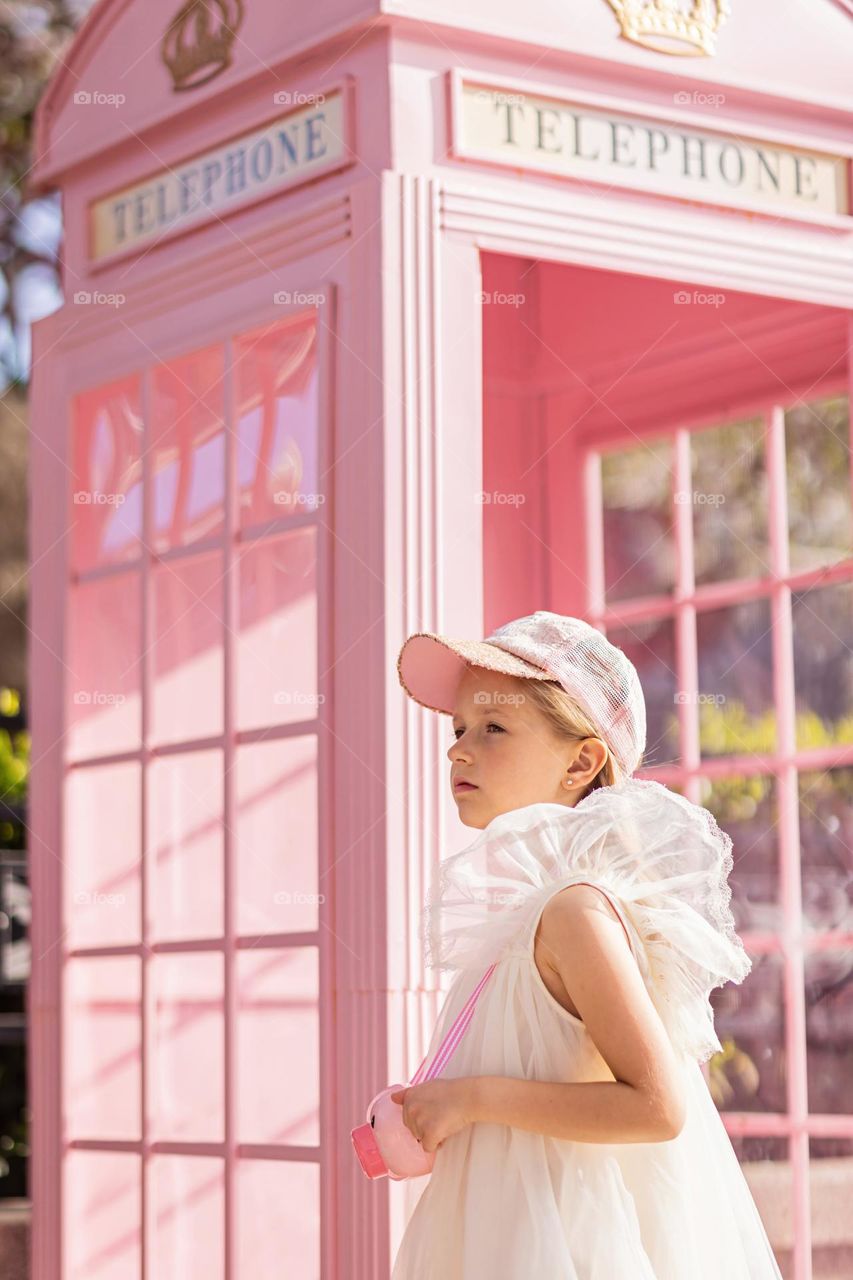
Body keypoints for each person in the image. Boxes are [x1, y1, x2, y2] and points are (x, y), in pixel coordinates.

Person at [388, 610, 782, 1279]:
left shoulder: (575, 912)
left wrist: (469, 1099)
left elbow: (656, 1107)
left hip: (567, 1243)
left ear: (580, 761)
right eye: (458, 729)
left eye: (492, 729)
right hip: (506, 1231)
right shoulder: (525, 918)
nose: (458, 749)